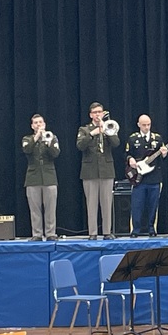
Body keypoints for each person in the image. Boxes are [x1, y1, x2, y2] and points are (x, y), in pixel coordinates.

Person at [76, 102, 120, 240]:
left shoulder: (108, 127)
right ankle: (93, 233)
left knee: (107, 203)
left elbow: (116, 143)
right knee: (92, 203)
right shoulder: (84, 129)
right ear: (91, 115)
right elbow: (80, 145)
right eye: (95, 112)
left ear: (103, 113)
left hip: (106, 170)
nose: (97, 114)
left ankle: (107, 232)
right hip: (90, 171)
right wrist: (92, 133)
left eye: (99, 112)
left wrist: (106, 130)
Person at [126, 115, 168, 237]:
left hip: (154, 177)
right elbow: (126, 154)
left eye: (148, 125)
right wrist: (130, 159)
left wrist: (164, 154)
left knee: (153, 206)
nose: (146, 127)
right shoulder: (133, 139)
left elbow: (162, 159)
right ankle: (135, 230)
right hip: (138, 178)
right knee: (137, 206)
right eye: (144, 125)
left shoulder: (157, 138)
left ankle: (152, 229)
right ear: (138, 124)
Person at [21, 113, 60, 241]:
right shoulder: (27, 139)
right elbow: (26, 150)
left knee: (50, 208)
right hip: (33, 178)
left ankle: (50, 233)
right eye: (36, 123)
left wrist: (48, 143)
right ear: (32, 126)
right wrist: (36, 137)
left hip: (49, 178)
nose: (38, 125)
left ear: (44, 124)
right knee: (35, 209)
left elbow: (55, 154)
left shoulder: (51, 138)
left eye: (40, 123)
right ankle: (37, 234)